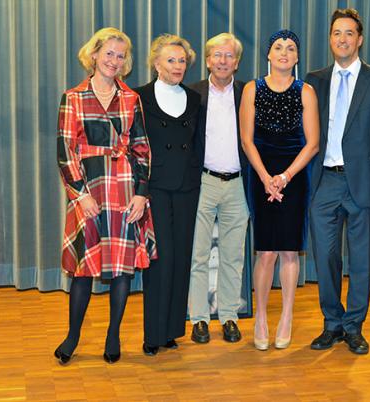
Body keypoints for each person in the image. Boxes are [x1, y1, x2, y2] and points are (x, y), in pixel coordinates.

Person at [55, 27, 156, 365]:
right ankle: (72, 336)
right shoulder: (73, 97)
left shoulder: (131, 98)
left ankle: (113, 336)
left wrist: (142, 195)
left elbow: (142, 149)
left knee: (123, 269)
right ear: (94, 54)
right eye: (109, 53)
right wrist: (80, 195)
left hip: (126, 188)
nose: (115, 60)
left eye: (121, 55)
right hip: (89, 189)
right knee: (84, 268)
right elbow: (65, 151)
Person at [305, 8, 370, 355]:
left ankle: (354, 326)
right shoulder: (314, 80)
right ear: (329, 40)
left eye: (349, 33)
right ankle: (332, 323)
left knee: (361, 260)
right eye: (336, 33)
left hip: (365, 184)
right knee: (326, 256)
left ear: (359, 39)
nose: (342, 39)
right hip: (324, 184)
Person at [240, 30, 319, 350]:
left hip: (294, 176)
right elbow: (246, 139)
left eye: (290, 48)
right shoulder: (251, 89)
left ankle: (286, 316)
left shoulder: (306, 91)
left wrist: (284, 177)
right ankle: (260, 318)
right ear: (268, 55)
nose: (284, 52)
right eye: (277, 47)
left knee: (288, 250)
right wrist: (265, 177)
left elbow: (313, 143)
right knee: (266, 251)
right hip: (260, 175)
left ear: (297, 58)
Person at [134, 34, 201, 356]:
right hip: (155, 188)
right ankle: (153, 334)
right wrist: (140, 189)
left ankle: (173, 330)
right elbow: (134, 147)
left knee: (181, 259)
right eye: (171, 60)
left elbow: (198, 146)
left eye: (183, 61)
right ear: (156, 63)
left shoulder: (194, 98)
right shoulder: (139, 97)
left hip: (187, 189)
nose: (178, 66)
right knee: (160, 261)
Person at [188, 33, 249, 344]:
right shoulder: (192, 93)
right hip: (202, 182)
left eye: (229, 56)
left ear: (236, 62)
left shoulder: (249, 94)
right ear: (208, 59)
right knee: (197, 255)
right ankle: (199, 318)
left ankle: (228, 316)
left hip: (238, 184)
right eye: (217, 55)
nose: (223, 61)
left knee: (232, 256)